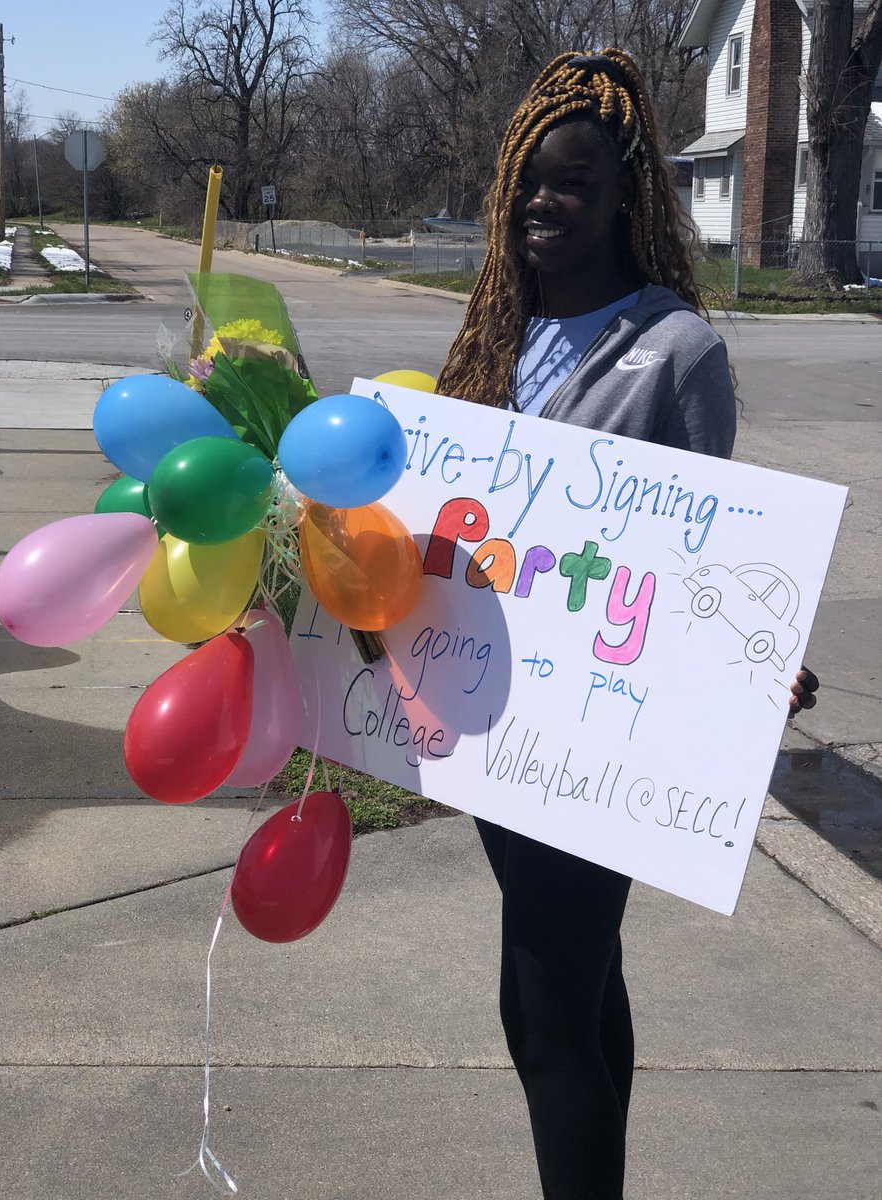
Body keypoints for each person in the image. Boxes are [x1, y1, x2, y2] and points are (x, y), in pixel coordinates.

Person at [435, 49, 819, 1199]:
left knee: (544, 1008)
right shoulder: (490, 337)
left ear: (625, 197)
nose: (547, 206)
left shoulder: (676, 350)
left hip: (609, 735)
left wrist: (752, 651)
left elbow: (710, 551)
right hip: (498, 716)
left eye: (577, 185)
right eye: (532, 184)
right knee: (579, 988)